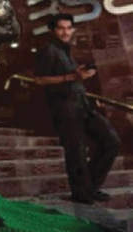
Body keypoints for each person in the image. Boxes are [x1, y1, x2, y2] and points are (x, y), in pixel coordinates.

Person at [34, 13, 120, 205]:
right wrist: (71, 77)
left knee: (111, 141)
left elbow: (74, 77)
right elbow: (39, 79)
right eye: (60, 28)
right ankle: (82, 193)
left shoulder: (66, 51)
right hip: (64, 109)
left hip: (82, 106)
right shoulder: (48, 50)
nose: (65, 32)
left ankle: (90, 187)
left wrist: (80, 74)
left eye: (68, 28)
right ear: (52, 30)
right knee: (76, 152)